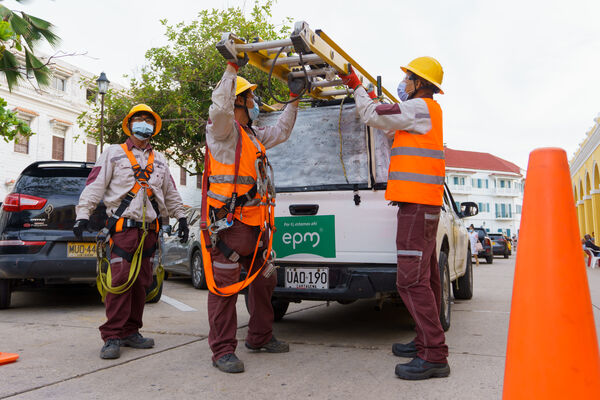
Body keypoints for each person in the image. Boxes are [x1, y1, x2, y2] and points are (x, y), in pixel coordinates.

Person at [340, 56, 450, 380]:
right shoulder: (424, 114)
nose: (404, 83)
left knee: (411, 282)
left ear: (420, 83)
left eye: (408, 78)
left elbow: (372, 114)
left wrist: (357, 86)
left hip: (417, 208)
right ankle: (424, 342)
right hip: (422, 207)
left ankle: (434, 355)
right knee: (427, 279)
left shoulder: (419, 109)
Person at [203, 56, 303, 374]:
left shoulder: (253, 135)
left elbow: (283, 130)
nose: (255, 103)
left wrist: (294, 99)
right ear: (238, 102)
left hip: (257, 227)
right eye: (250, 98)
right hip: (229, 227)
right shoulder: (223, 132)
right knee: (225, 289)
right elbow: (219, 109)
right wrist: (231, 70)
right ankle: (222, 351)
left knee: (265, 282)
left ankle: (260, 337)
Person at [73, 104, 188, 359]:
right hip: (123, 228)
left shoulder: (159, 160)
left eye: (148, 120)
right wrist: (82, 216)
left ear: (154, 128)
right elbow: (95, 186)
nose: (144, 123)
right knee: (120, 281)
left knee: (142, 284)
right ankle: (112, 336)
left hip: (149, 232)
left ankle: (131, 331)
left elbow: (170, 193)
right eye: (139, 119)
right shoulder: (114, 153)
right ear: (130, 124)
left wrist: (181, 217)